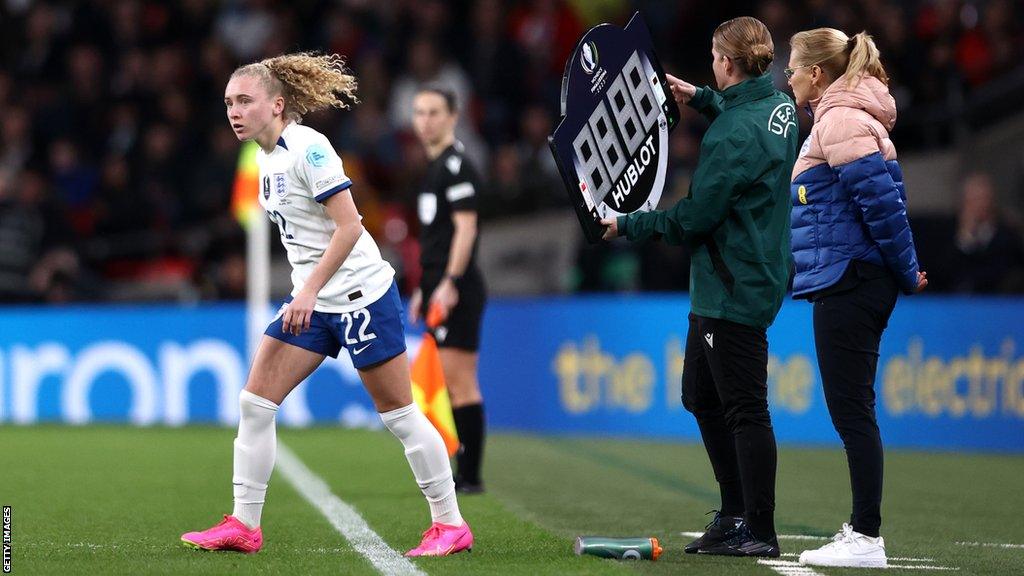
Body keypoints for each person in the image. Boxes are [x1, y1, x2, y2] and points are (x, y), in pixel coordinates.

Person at [180, 53, 473, 557]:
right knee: (254, 405)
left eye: (245, 101)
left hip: (360, 296)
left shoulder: (309, 150)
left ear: (277, 105)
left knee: (400, 415)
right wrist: (308, 292)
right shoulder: (264, 157)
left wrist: (309, 290)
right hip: (313, 302)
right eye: (229, 102)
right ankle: (244, 525)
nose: (234, 111)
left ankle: (450, 524)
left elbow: (351, 225)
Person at [602, 16, 797, 558]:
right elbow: (750, 128)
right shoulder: (779, 108)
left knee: (744, 410)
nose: (710, 65)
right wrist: (704, 97)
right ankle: (737, 514)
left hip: (730, 285)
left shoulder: (730, 136)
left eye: (714, 58)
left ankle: (757, 527)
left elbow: (692, 220)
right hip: (749, 276)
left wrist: (629, 221)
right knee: (701, 396)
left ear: (727, 63)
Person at [786, 29, 928, 568]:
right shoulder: (839, 117)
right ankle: (863, 531)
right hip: (850, 277)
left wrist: (907, 268)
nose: (789, 76)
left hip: (852, 279)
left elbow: (883, 205)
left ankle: (866, 536)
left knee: (852, 410)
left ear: (818, 74)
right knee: (852, 409)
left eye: (795, 68)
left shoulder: (841, 119)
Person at [408, 85, 488, 494]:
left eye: (434, 112)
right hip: (439, 286)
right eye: (419, 112)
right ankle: (463, 470)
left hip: (458, 288)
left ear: (453, 116)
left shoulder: (457, 167)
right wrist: (425, 287)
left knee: (461, 383)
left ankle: (471, 475)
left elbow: (466, 228)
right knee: (451, 383)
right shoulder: (434, 169)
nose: (425, 121)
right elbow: (436, 239)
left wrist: (450, 283)